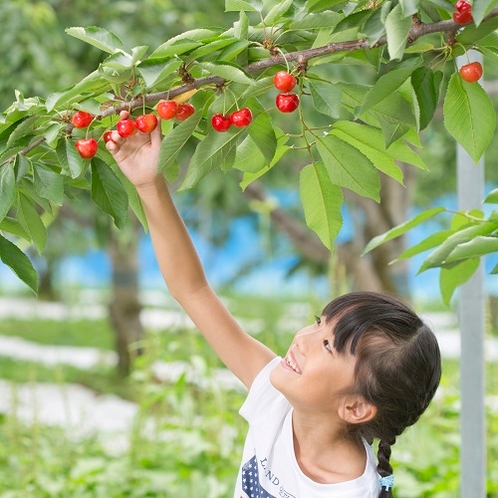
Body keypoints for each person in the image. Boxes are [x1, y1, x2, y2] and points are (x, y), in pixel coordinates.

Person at [106, 111, 442, 498]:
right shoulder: (279, 402)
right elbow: (192, 290)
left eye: (329, 345)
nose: (303, 338)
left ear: (354, 408)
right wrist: (150, 183)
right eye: (319, 323)